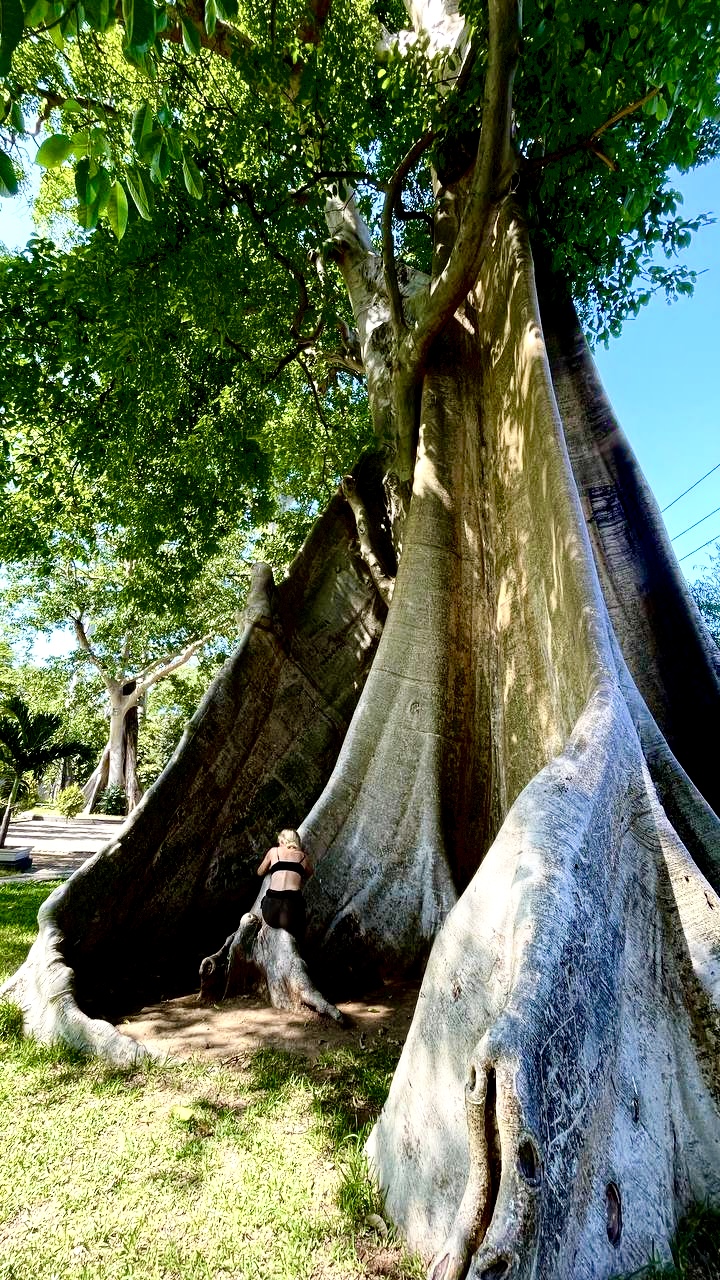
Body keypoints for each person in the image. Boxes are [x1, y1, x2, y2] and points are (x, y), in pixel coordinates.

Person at [256, 828, 313, 940]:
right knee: (301, 923)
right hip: (290, 912)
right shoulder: (303, 857)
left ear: (283, 841)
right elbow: (310, 873)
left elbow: (259, 872)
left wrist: (274, 867)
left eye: (280, 841)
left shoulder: (274, 851)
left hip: (269, 912)